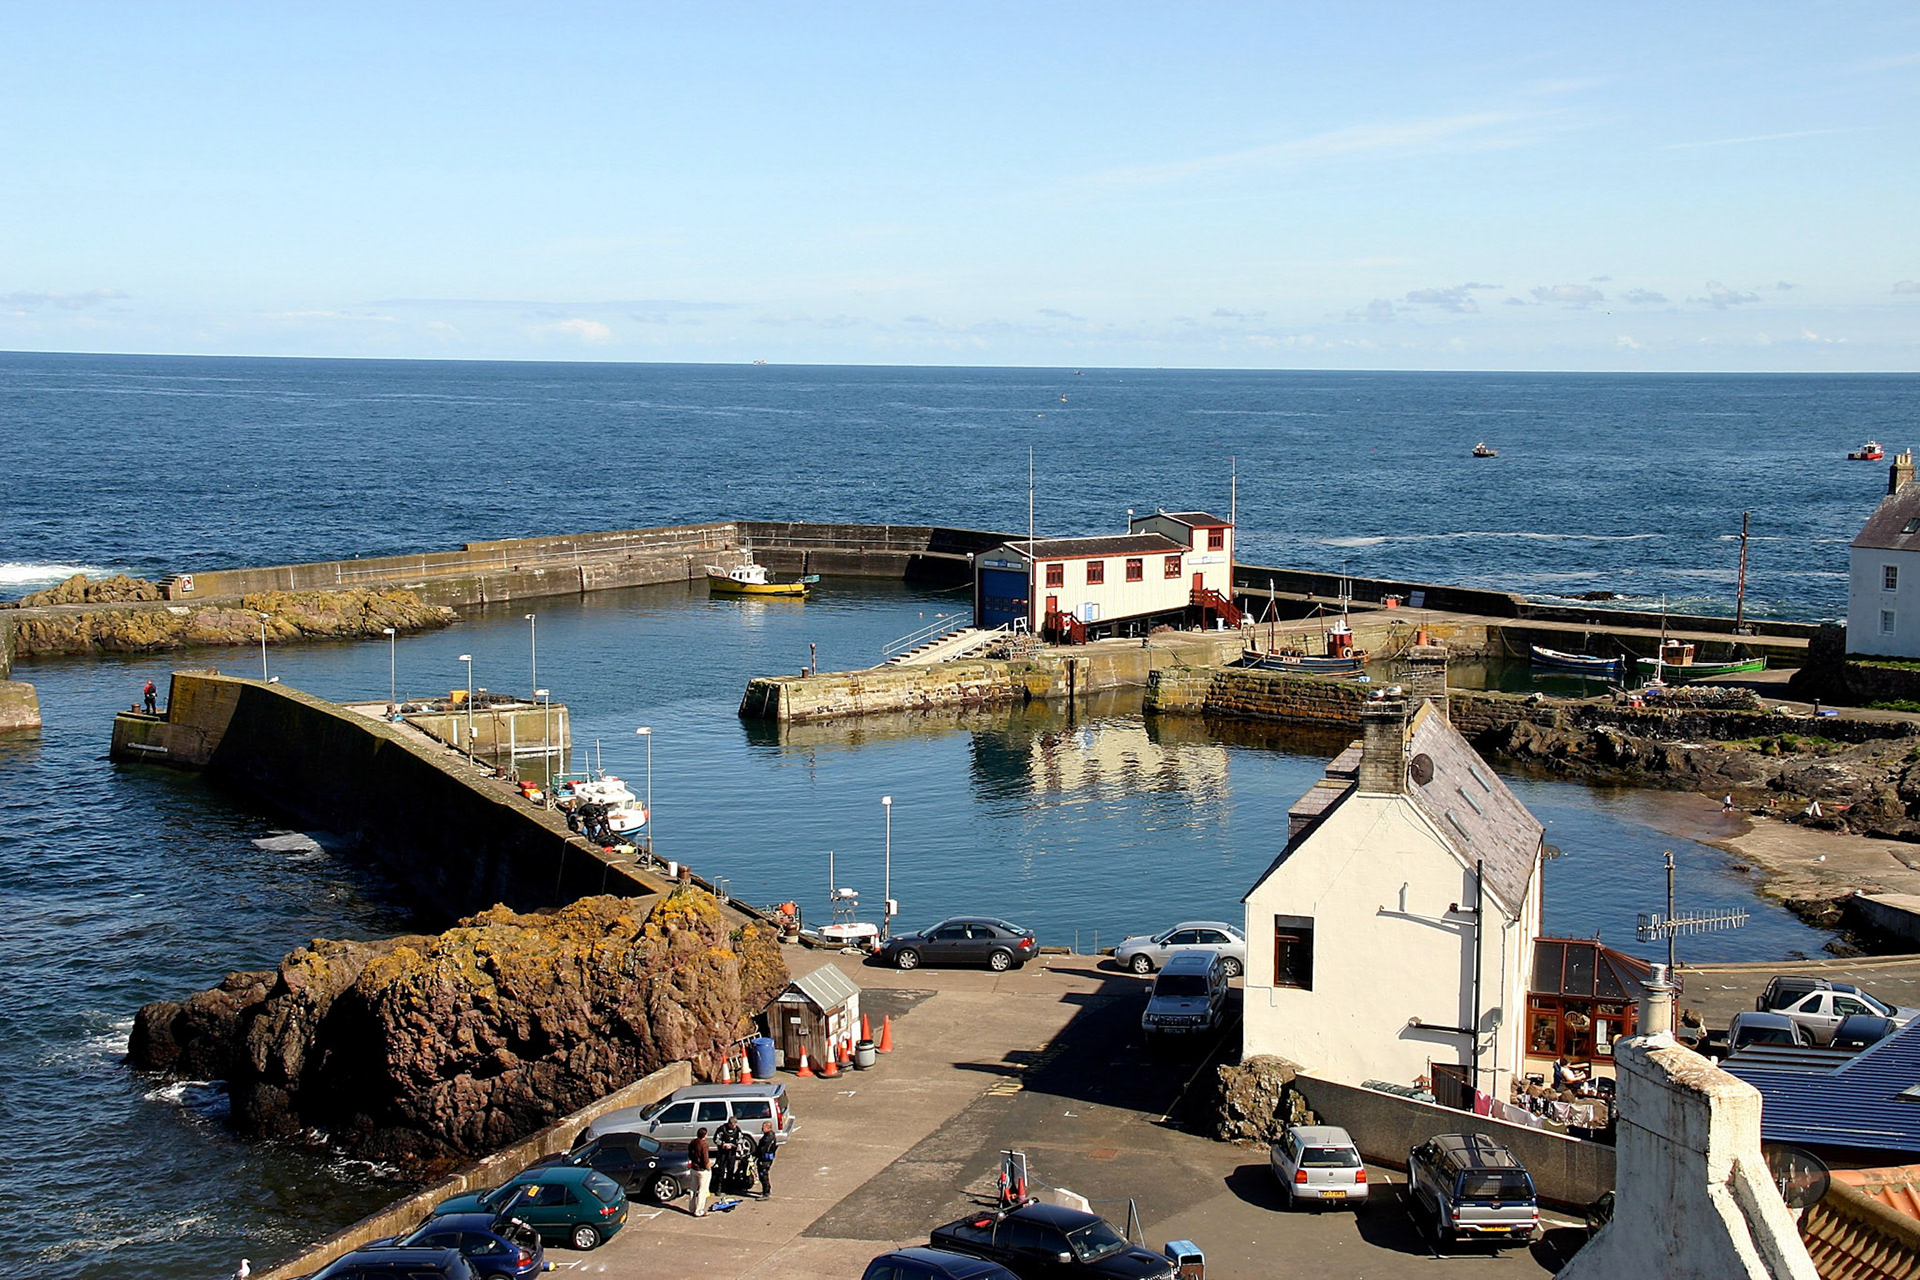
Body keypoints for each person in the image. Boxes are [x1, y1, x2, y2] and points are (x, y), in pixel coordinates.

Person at [715, 1116, 746, 1193]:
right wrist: (723, 1144)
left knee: (730, 1170)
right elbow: (716, 1139)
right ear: (729, 1123)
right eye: (732, 1125)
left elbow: (741, 1138)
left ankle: (729, 1188)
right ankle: (719, 1187)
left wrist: (738, 1144)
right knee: (721, 1170)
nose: (734, 1127)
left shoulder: (737, 1130)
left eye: (735, 1125)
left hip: (732, 1153)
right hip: (723, 1153)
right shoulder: (721, 1129)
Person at [688, 1126, 713, 1216]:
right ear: (704, 1135)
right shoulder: (704, 1145)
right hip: (702, 1170)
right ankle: (699, 1210)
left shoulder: (693, 1142)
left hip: (694, 1168)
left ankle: (691, 1208)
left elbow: (690, 1154)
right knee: (702, 1191)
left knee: (693, 1189)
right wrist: (709, 1168)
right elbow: (705, 1159)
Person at [753, 1120, 778, 1200]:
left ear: (768, 1128)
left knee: (763, 1175)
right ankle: (767, 1190)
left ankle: (766, 1193)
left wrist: (757, 1155)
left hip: (765, 1159)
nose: (762, 1129)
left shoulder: (768, 1138)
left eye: (763, 1127)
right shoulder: (768, 1135)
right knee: (763, 1174)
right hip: (765, 1158)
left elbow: (763, 1149)